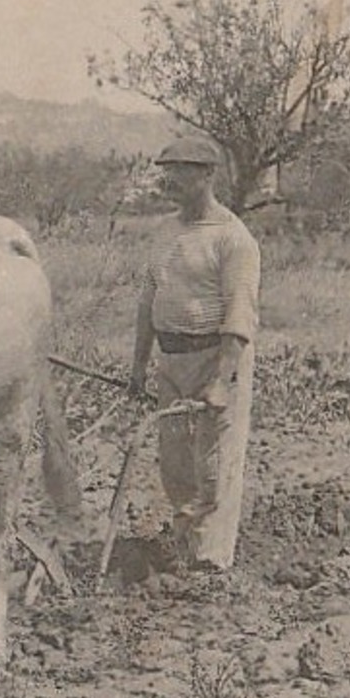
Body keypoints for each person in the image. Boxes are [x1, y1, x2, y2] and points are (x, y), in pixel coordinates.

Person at [127, 136, 261, 574]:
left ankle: (211, 563)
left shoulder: (233, 238)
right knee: (175, 462)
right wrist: (138, 367)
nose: (173, 178)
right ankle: (186, 546)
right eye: (169, 169)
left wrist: (221, 379)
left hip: (214, 357)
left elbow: (241, 314)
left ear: (207, 175)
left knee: (215, 465)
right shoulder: (165, 232)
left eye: (183, 170)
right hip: (171, 358)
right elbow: (149, 301)